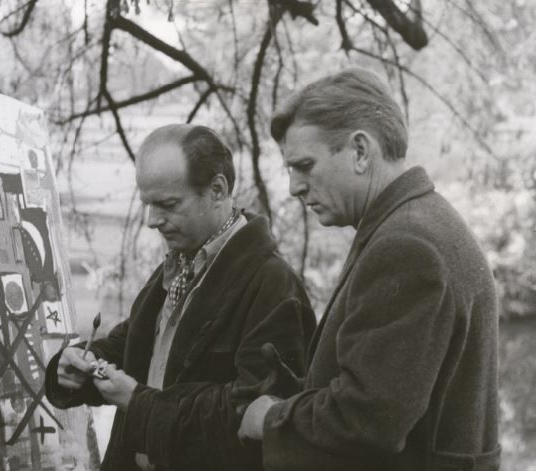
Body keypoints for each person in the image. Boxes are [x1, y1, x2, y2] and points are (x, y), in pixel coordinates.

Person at [238, 68, 501, 471]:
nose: (294, 187)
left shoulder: (406, 245)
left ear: (360, 151)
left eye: (305, 165)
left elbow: (369, 419)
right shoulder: (417, 220)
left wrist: (270, 418)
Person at [45, 124, 316, 471]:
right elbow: (135, 347)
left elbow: (256, 415)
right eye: (147, 204)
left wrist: (139, 404)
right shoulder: (180, 262)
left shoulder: (273, 285)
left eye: (167, 204)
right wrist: (80, 365)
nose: (151, 220)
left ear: (217, 190)